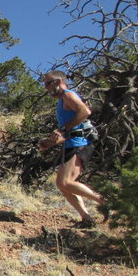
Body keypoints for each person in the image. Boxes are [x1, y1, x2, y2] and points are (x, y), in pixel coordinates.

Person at [38, 70, 105, 227]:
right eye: (45, 85)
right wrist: (49, 142)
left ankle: (104, 201)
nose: (46, 88)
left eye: (48, 83)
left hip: (80, 143)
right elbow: (68, 130)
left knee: (66, 182)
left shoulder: (68, 95)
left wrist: (62, 129)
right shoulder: (62, 101)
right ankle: (87, 219)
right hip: (72, 143)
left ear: (58, 81)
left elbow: (85, 111)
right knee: (63, 184)